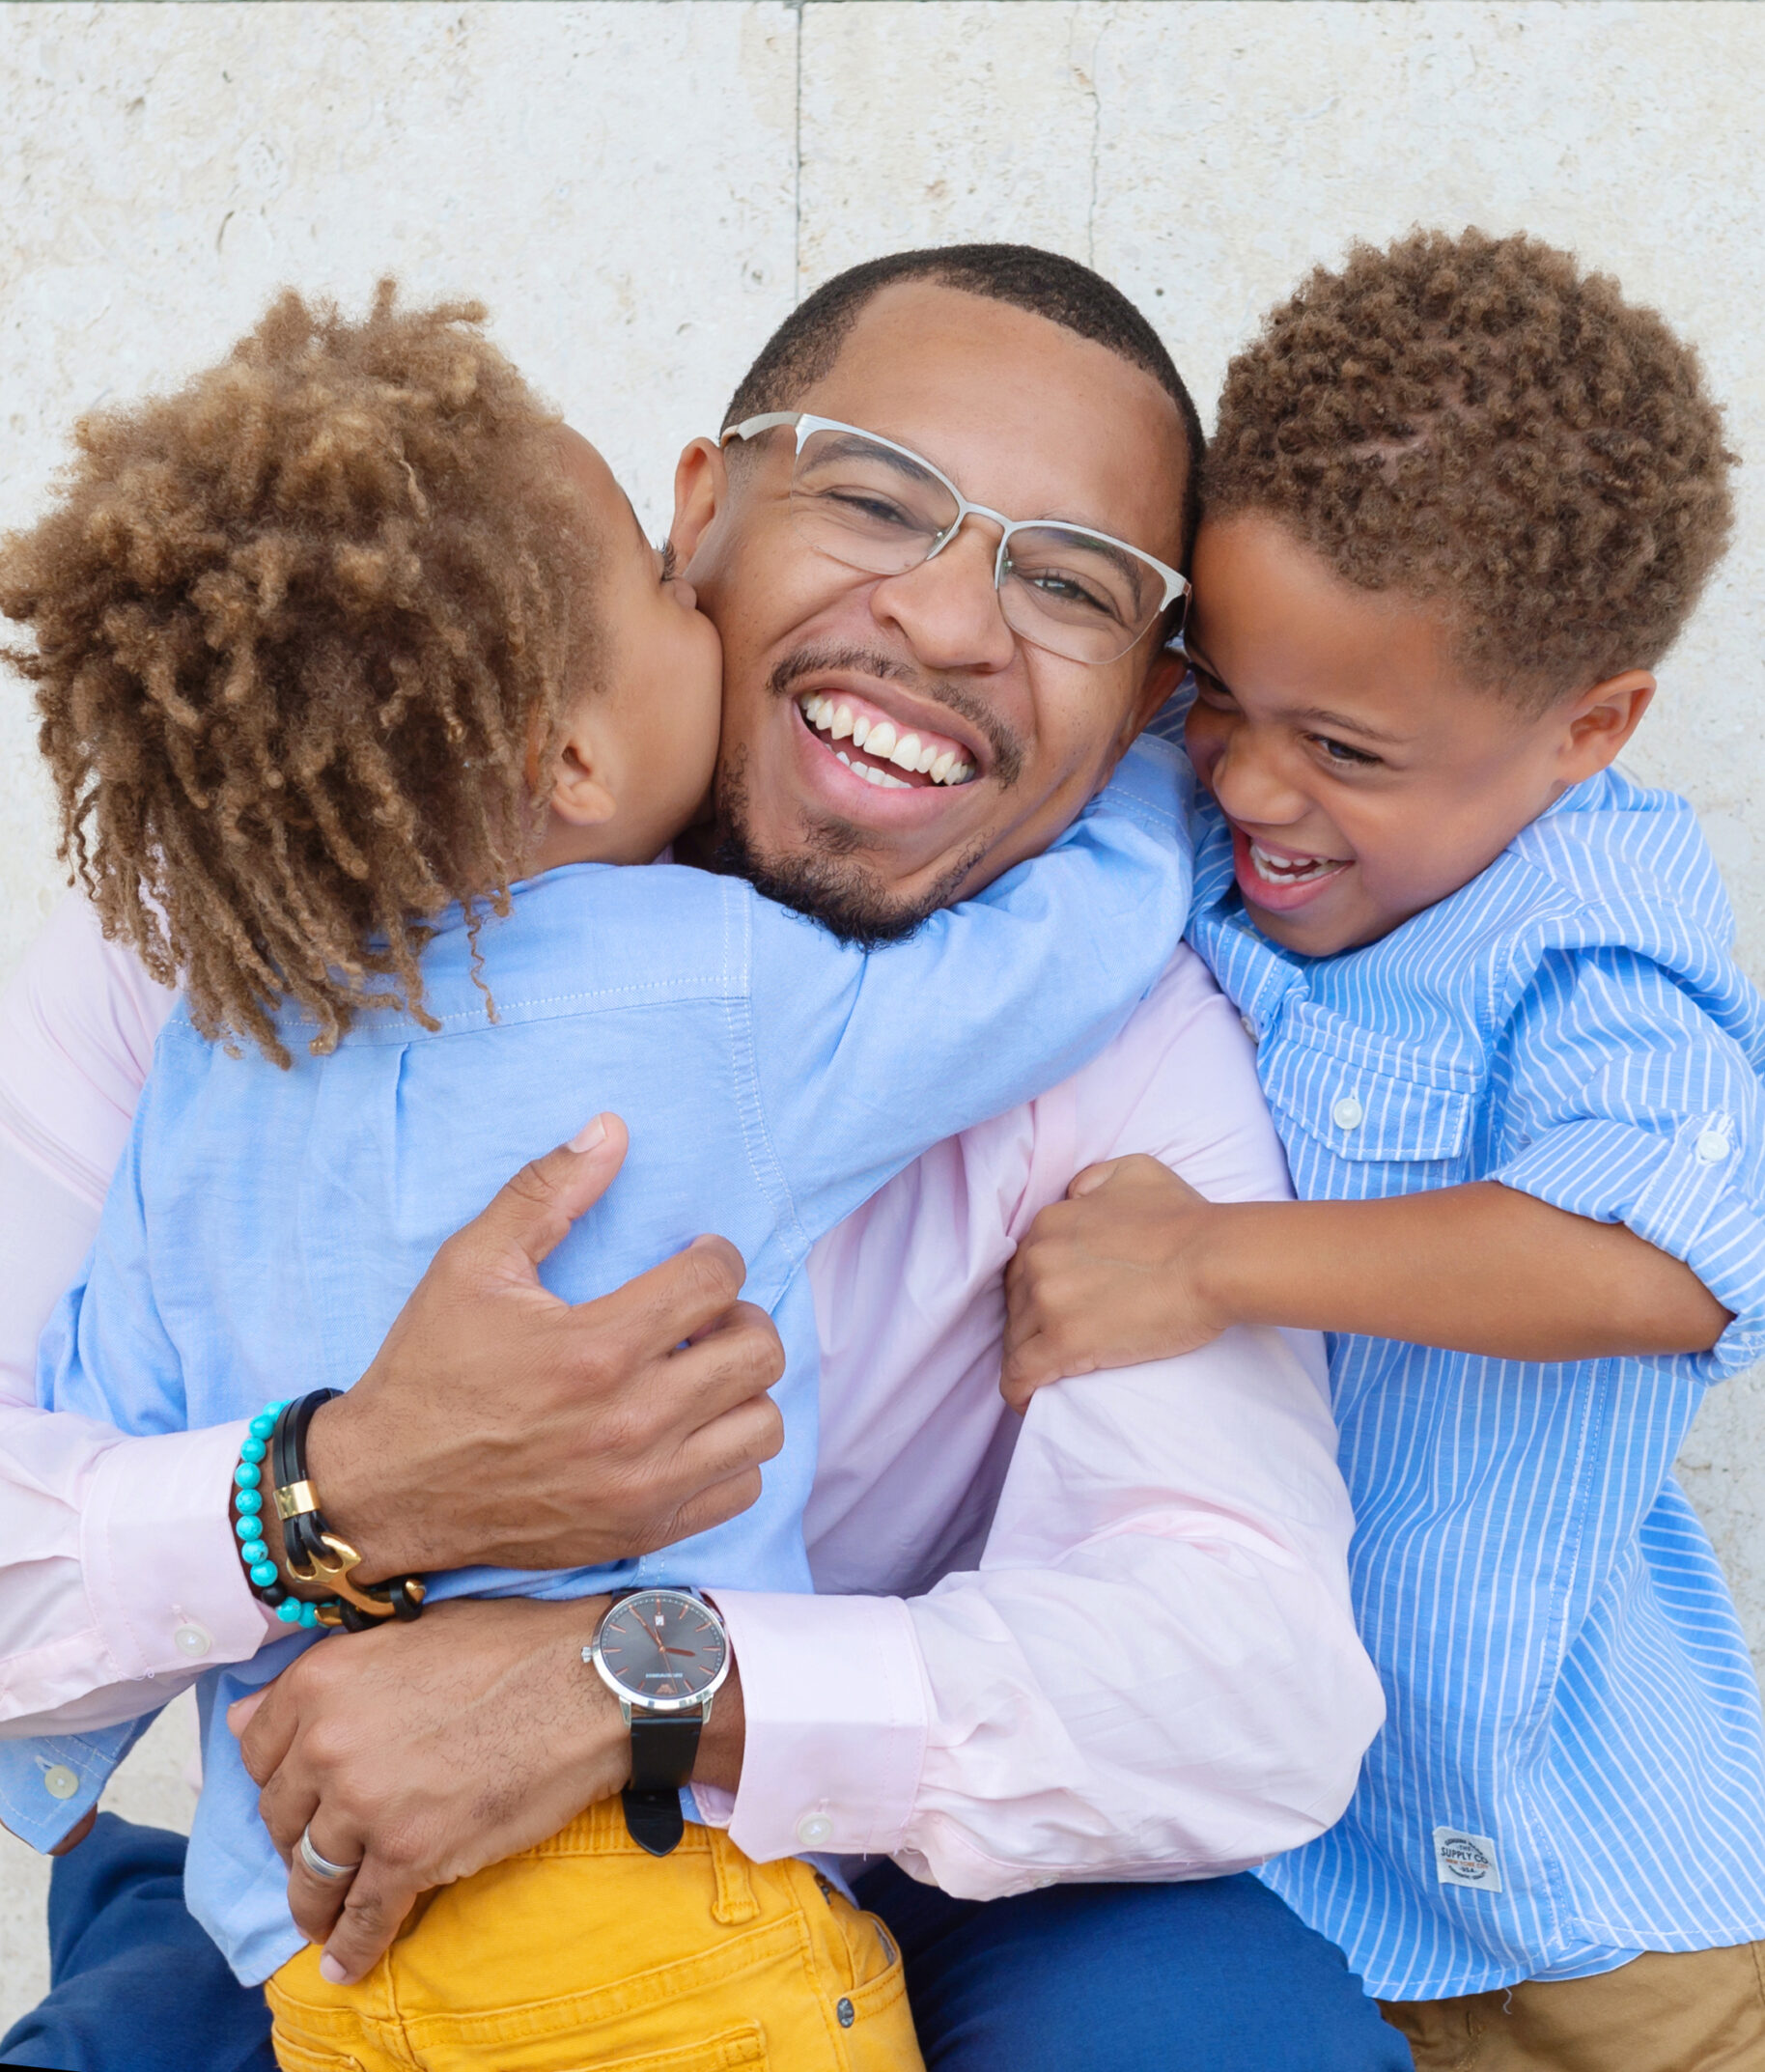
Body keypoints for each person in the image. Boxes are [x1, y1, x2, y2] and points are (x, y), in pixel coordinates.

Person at [1, 244, 1399, 2072]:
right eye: (878, 497)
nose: (958, 624)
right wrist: (338, 1495)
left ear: (1146, 693)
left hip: (886, 1849)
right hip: (348, 1891)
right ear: (699, 519)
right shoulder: (221, 941)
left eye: (1069, 584)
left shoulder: (1130, 1052)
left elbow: (1254, 1683)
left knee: (1230, 2041)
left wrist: (649, 1680)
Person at [1000, 229, 1765, 2069]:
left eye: (1341, 745)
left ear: (1586, 727)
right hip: (1274, 1854)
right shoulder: (1209, 825)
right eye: (1224, 697)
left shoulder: (1589, 927)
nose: (1256, 784)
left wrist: (1209, 1262)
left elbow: (1653, 1260)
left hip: (1558, 1868)